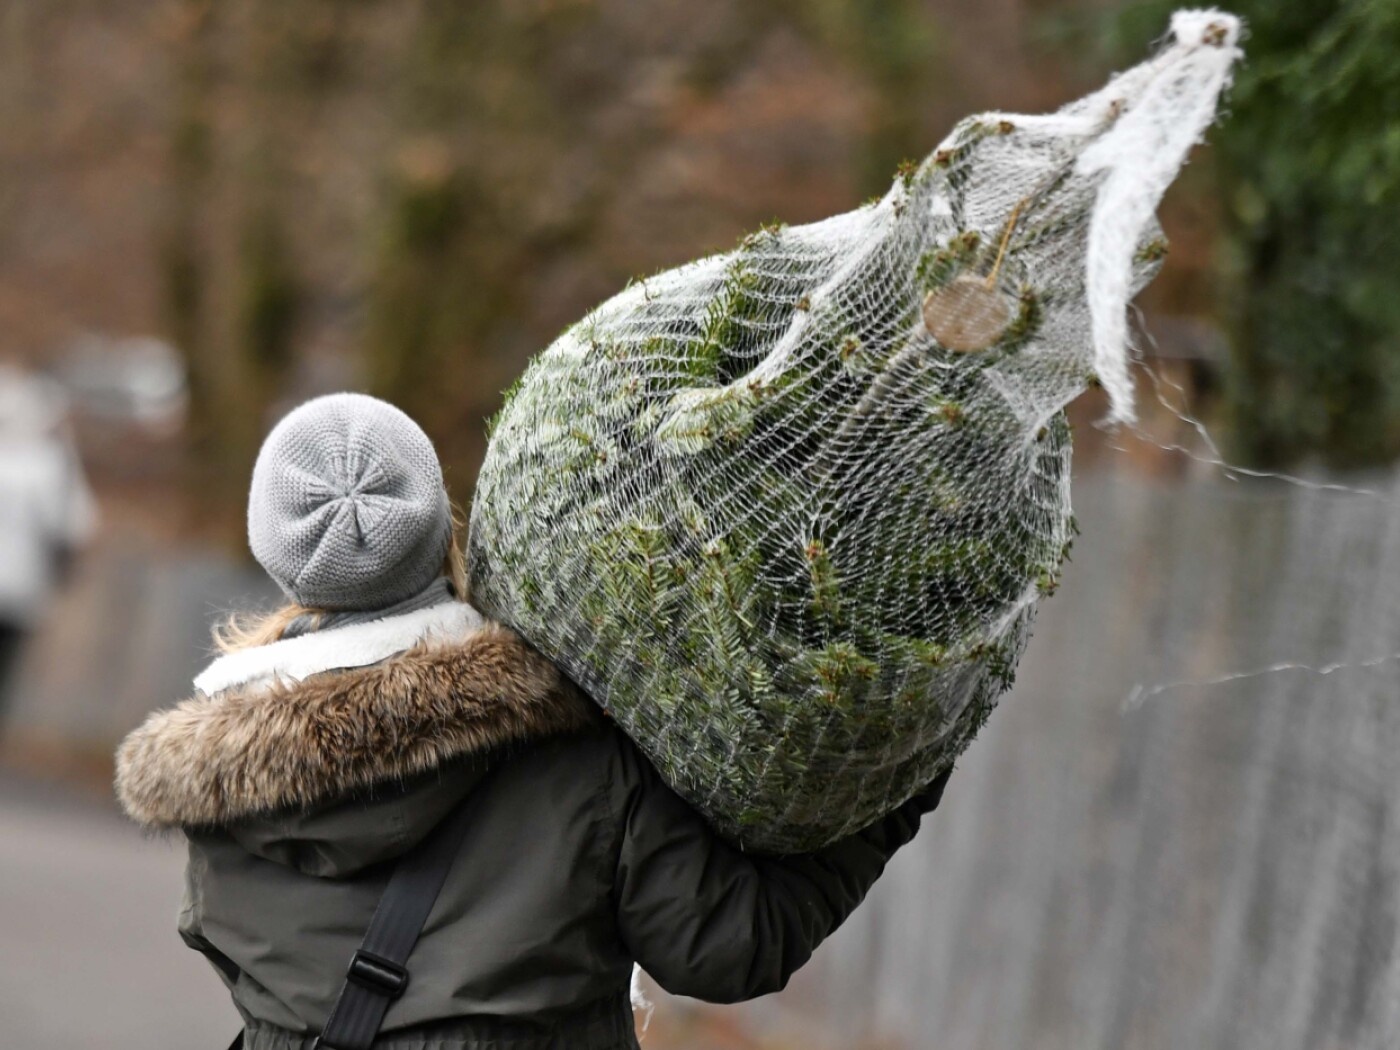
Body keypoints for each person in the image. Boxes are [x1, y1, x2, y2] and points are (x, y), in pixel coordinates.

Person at [115, 392, 951, 1050]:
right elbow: (727, 945)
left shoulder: (219, 786)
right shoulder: (578, 741)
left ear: (276, 553)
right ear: (444, 523)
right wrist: (896, 777)